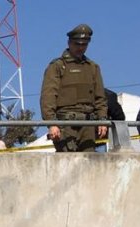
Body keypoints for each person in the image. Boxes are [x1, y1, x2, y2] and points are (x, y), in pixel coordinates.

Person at [40, 24, 108, 152]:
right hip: (65, 125)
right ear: (69, 43)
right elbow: (48, 97)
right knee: (67, 161)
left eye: (84, 44)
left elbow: (100, 98)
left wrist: (102, 120)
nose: (80, 48)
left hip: (88, 125)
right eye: (77, 44)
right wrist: (52, 123)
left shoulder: (92, 67)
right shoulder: (57, 66)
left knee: (89, 160)